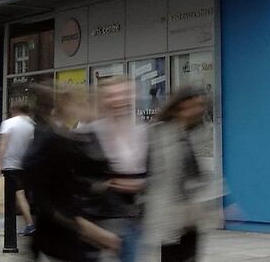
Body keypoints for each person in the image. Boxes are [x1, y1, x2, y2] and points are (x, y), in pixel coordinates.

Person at [23, 85, 120, 262]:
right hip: (56, 243)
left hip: (62, 241)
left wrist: (94, 186)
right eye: (79, 103)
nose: (83, 107)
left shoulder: (59, 137)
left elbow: (66, 182)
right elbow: (51, 199)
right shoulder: (50, 140)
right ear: (64, 105)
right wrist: (92, 231)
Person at [145, 87, 221, 262]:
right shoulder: (160, 132)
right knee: (171, 256)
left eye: (200, 106)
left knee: (190, 256)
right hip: (168, 212)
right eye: (191, 106)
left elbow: (206, 171)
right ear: (178, 107)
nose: (196, 111)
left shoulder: (201, 132)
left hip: (192, 213)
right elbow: (156, 173)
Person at [86, 76, 147, 262]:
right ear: (102, 99)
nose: (118, 100)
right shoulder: (89, 134)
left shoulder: (142, 131)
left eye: (124, 94)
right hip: (98, 220)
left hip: (132, 217)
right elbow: (76, 180)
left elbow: (154, 170)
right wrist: (106, 184)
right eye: (112, 95)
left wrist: (142, 184)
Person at [0, 104, 35, 236]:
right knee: (20, 194)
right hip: (26, 165)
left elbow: (3, 144)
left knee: (18, 194)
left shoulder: (8, 123)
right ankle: (12, 220)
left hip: (10, 164)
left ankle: (29, 224)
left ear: (13, 111)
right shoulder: (32, 125)